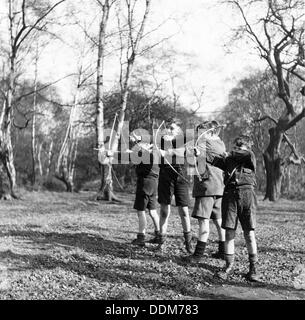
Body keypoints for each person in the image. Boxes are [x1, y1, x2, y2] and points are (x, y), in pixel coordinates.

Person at [206, 134, 260, 282]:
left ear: (247, 148)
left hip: (247, 196)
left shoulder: (250, 157)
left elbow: (245, 153)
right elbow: (213, 159)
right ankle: (228, 266)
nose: (235, 149)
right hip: (230, 196)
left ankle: (253, 268)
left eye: (239, 147)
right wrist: (199, 153)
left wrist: (231, 153)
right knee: (229, 232)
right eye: (234, 147)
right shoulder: (228, 160)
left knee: (249, 233)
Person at [185, 120, 226, 263]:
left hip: (207, 187)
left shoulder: (205, 143)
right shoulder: (220, 143)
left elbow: (198, 153)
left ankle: (198, 255)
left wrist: (195, 152)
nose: (199, 135)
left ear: (210, 131)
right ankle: (223, 251)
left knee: (204, 221)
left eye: (202, 132)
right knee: (218, 220)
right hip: (219, 186)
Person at [155, 118, 193, 253]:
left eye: (172, 128)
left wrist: (168, 150)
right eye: (168, 127)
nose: (169, 130)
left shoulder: (183, 140)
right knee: (164, 210)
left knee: (184, 210)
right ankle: (161, 241)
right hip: (165, 176)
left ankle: (188, 243)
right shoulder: (161, 141)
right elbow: (151, 149)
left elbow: (185, 152)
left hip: (180, 176)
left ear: (179, 130)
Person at [129, 131, 161, 247]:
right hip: (153, 184)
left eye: (143, 143)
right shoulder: (154, 154)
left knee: (141, 211)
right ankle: (159, 235)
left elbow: (133, 156)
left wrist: (137, 141)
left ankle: (141, 237)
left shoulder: (147, 154)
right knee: (152, 211)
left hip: (144, 184)